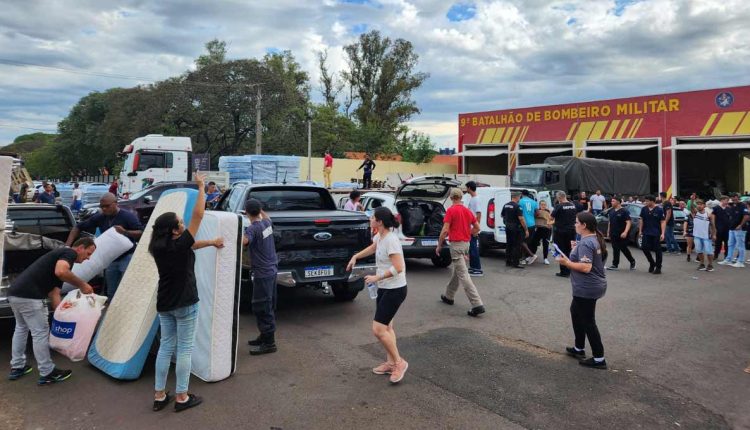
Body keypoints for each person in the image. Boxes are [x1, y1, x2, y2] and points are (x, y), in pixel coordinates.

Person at [149, 173, 223, 412]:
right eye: (180, 223)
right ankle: (182, 396)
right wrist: (201, 186)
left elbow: (189, 245)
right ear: (173, 231)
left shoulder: (158, 246)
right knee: (185, 349)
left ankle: (159, 395)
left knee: (166, 347)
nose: (183, 224)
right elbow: (199, 214)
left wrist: (211, 242)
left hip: (165, 302)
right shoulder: (179, 244)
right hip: (185, 302)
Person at [7, 238, 96, 385]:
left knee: (21, 328)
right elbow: (61, 271)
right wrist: (83, 285)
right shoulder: (68, 253)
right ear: (80, 248)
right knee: (40, 333)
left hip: (15, 293)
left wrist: (64, 315)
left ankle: (17, 367)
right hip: (30, 296)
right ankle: (47, 372)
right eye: (88, 253)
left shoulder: (60, 259)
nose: (88, 258)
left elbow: (54, 294)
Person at [347, 207, 409, 384]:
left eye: (372, 217)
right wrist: (356, 257)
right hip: (384, 288)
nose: (370, 219)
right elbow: (373, 247)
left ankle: (399, 363)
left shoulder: (391, 240)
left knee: (378, 329)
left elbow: (398, 268)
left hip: (395, 289)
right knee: (387, 328)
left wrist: (377, 277)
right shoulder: (379, 237)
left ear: (380, 221)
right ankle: (390, 363)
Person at [66, 193, 143, 301]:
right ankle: (111, 313)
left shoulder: (127, 216)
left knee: (126, 288)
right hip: (110, 258)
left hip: (127, 257)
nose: (104, 209)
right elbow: (78, 227)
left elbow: (141, 232)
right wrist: (67, 246)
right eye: (102, 206)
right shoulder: (101, 217)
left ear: (116, 203)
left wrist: (125, 232)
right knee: (111, 290)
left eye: (107, 206)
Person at [556, 212, 609, 369]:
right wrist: (575, 249)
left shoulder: (587, 242)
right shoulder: (591, 239)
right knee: (575, 312)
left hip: (587, 287)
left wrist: (566, 262)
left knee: (588, 321)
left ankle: (599, 358)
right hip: (591, 286)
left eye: (577, 222)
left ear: (584, 225)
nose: (575, 224)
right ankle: (579, 348)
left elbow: (586, 267)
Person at [437, 188, 485, 317]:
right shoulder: (467, 211)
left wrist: (439, 245)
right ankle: (449, 295)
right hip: (466, 244)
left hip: (456, 244)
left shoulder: (451, 211)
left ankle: (477, 304)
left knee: (463, 274)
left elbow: (445, 230)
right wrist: (467, 234)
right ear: (461, 197)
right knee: (458, 272)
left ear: (452, 198)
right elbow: (477, 228)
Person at [243, 198, 280, 355]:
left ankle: (269, 343)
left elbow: (244, 242)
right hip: (271, 271)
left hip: (262, 273)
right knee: (268, 305)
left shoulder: (253, 228)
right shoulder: (266, 224)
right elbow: (267, 217)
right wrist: (258, 209)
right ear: (259, 211)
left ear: (246, 212)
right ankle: (264, 336)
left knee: (262, 307)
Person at [551, 191, 578, 278]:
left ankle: (564, 271)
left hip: (560, 231)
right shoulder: (573, 205)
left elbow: (551, 217)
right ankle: (570, 269)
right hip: (571, 231)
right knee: (570, 250)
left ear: (559, 198)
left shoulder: (559, 206)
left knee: (560, 250)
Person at [606, 196, 636, 271]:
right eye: (611, 201)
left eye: (613, 201)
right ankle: (615, 264)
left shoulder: (624, 211)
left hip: (622, 234)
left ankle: (632, 261)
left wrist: (625, 232)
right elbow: (610, 222)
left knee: (623, 248)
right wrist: (608, 231)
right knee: (615, 248)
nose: (611, 202)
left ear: (618, 202)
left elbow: (628, 222)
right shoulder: (611, 211)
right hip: (613, 233)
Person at [638, 195, 665, 275]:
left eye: (647, 201)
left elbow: (663, 222)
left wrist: (663, 233)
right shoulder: (644, 209)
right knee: (644, 248)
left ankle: (658, 267)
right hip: (646, 232)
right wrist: (640, 231)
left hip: (656, 233)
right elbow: (641, 220)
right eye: (645, 201)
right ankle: (652, 263)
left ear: (652, 201)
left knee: (657, 250)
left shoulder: (659, 210)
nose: (645, 202)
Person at [721, 195, 749, 268]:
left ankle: (740, 261)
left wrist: (740, 225)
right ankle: (728, 259)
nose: (734, 198)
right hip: (732, 228)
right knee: (730, 244)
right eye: (732, 197)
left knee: (740, 245)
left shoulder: (743, 206)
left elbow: (746, 216)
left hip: (740, 229)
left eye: (735, 197)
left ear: (738, 197)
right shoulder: (732, 206)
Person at [502, 192, 528, 269]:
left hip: (508, 227)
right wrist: (526, 229)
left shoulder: (506, 205)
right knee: (516, 245)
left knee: (509, 244)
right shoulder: (517, 206)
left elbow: (502, 215)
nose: (519, 199)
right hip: (516, 228)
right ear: (516, 197)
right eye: (519, 197)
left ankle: (508, 261)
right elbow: (521, 219)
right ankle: (515, 263)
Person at [465, 181, 483, 276]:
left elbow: (479, 214)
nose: (466, 189)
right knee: (471, 248)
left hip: (473, 228)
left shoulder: (476, 199)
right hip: (470, 227)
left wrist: (476, 228)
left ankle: (477, 269)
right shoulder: (473, 199)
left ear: (469, 188)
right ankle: (472, 267)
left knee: (473, 248)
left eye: (466, 188)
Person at [693, 199, 715, 272]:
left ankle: (710, 265)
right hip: (697, 235)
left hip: (706, 236)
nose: (699, 205)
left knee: (709, 251)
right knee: (699, 251)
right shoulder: (695, 213)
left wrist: (714, 234)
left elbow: (713, 225)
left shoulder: (708, 215)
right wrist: (692, 199)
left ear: (704, 205)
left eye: (701, 204)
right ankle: (702, 264)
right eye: (698, 204)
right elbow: (691, 207)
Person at [519, 190, 538, 265]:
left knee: (521, 241)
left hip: (524, 224)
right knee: (526, 242)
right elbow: (537, 213)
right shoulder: (533, 202)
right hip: (532, 224)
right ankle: (523, 259)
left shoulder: (520, 201)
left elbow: (518, 213)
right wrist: (532, 216)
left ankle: (532, 255)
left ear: (522, 194)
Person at [532, 200, 553, 265]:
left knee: (545, 244)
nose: (543, 206)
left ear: (546, 205)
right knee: (534, 242)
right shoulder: (537, 211)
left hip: (547, 230)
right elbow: (535, 217)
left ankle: (545, 258)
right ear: (539, 205)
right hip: (539, 229)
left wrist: (550, 223)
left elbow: (551, 219)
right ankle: (532, 255)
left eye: (544, 204)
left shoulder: (548, 211)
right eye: (542, 204)